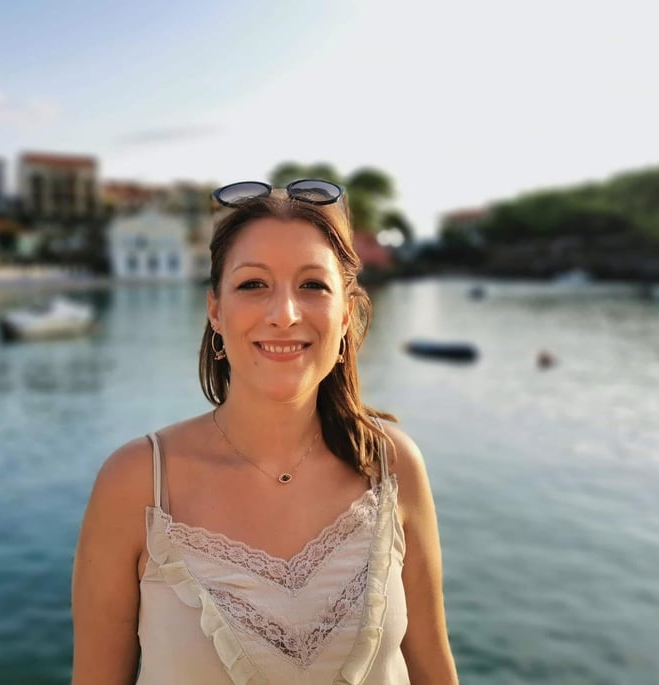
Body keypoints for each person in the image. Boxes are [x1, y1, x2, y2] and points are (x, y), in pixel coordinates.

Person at [71, 179, 458, 684]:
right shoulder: (137, 483)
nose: (284, 314)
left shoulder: (391, 465)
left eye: (312, 286)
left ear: (346, 315)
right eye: (253, 284)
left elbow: (435, 670)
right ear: (215, 310)